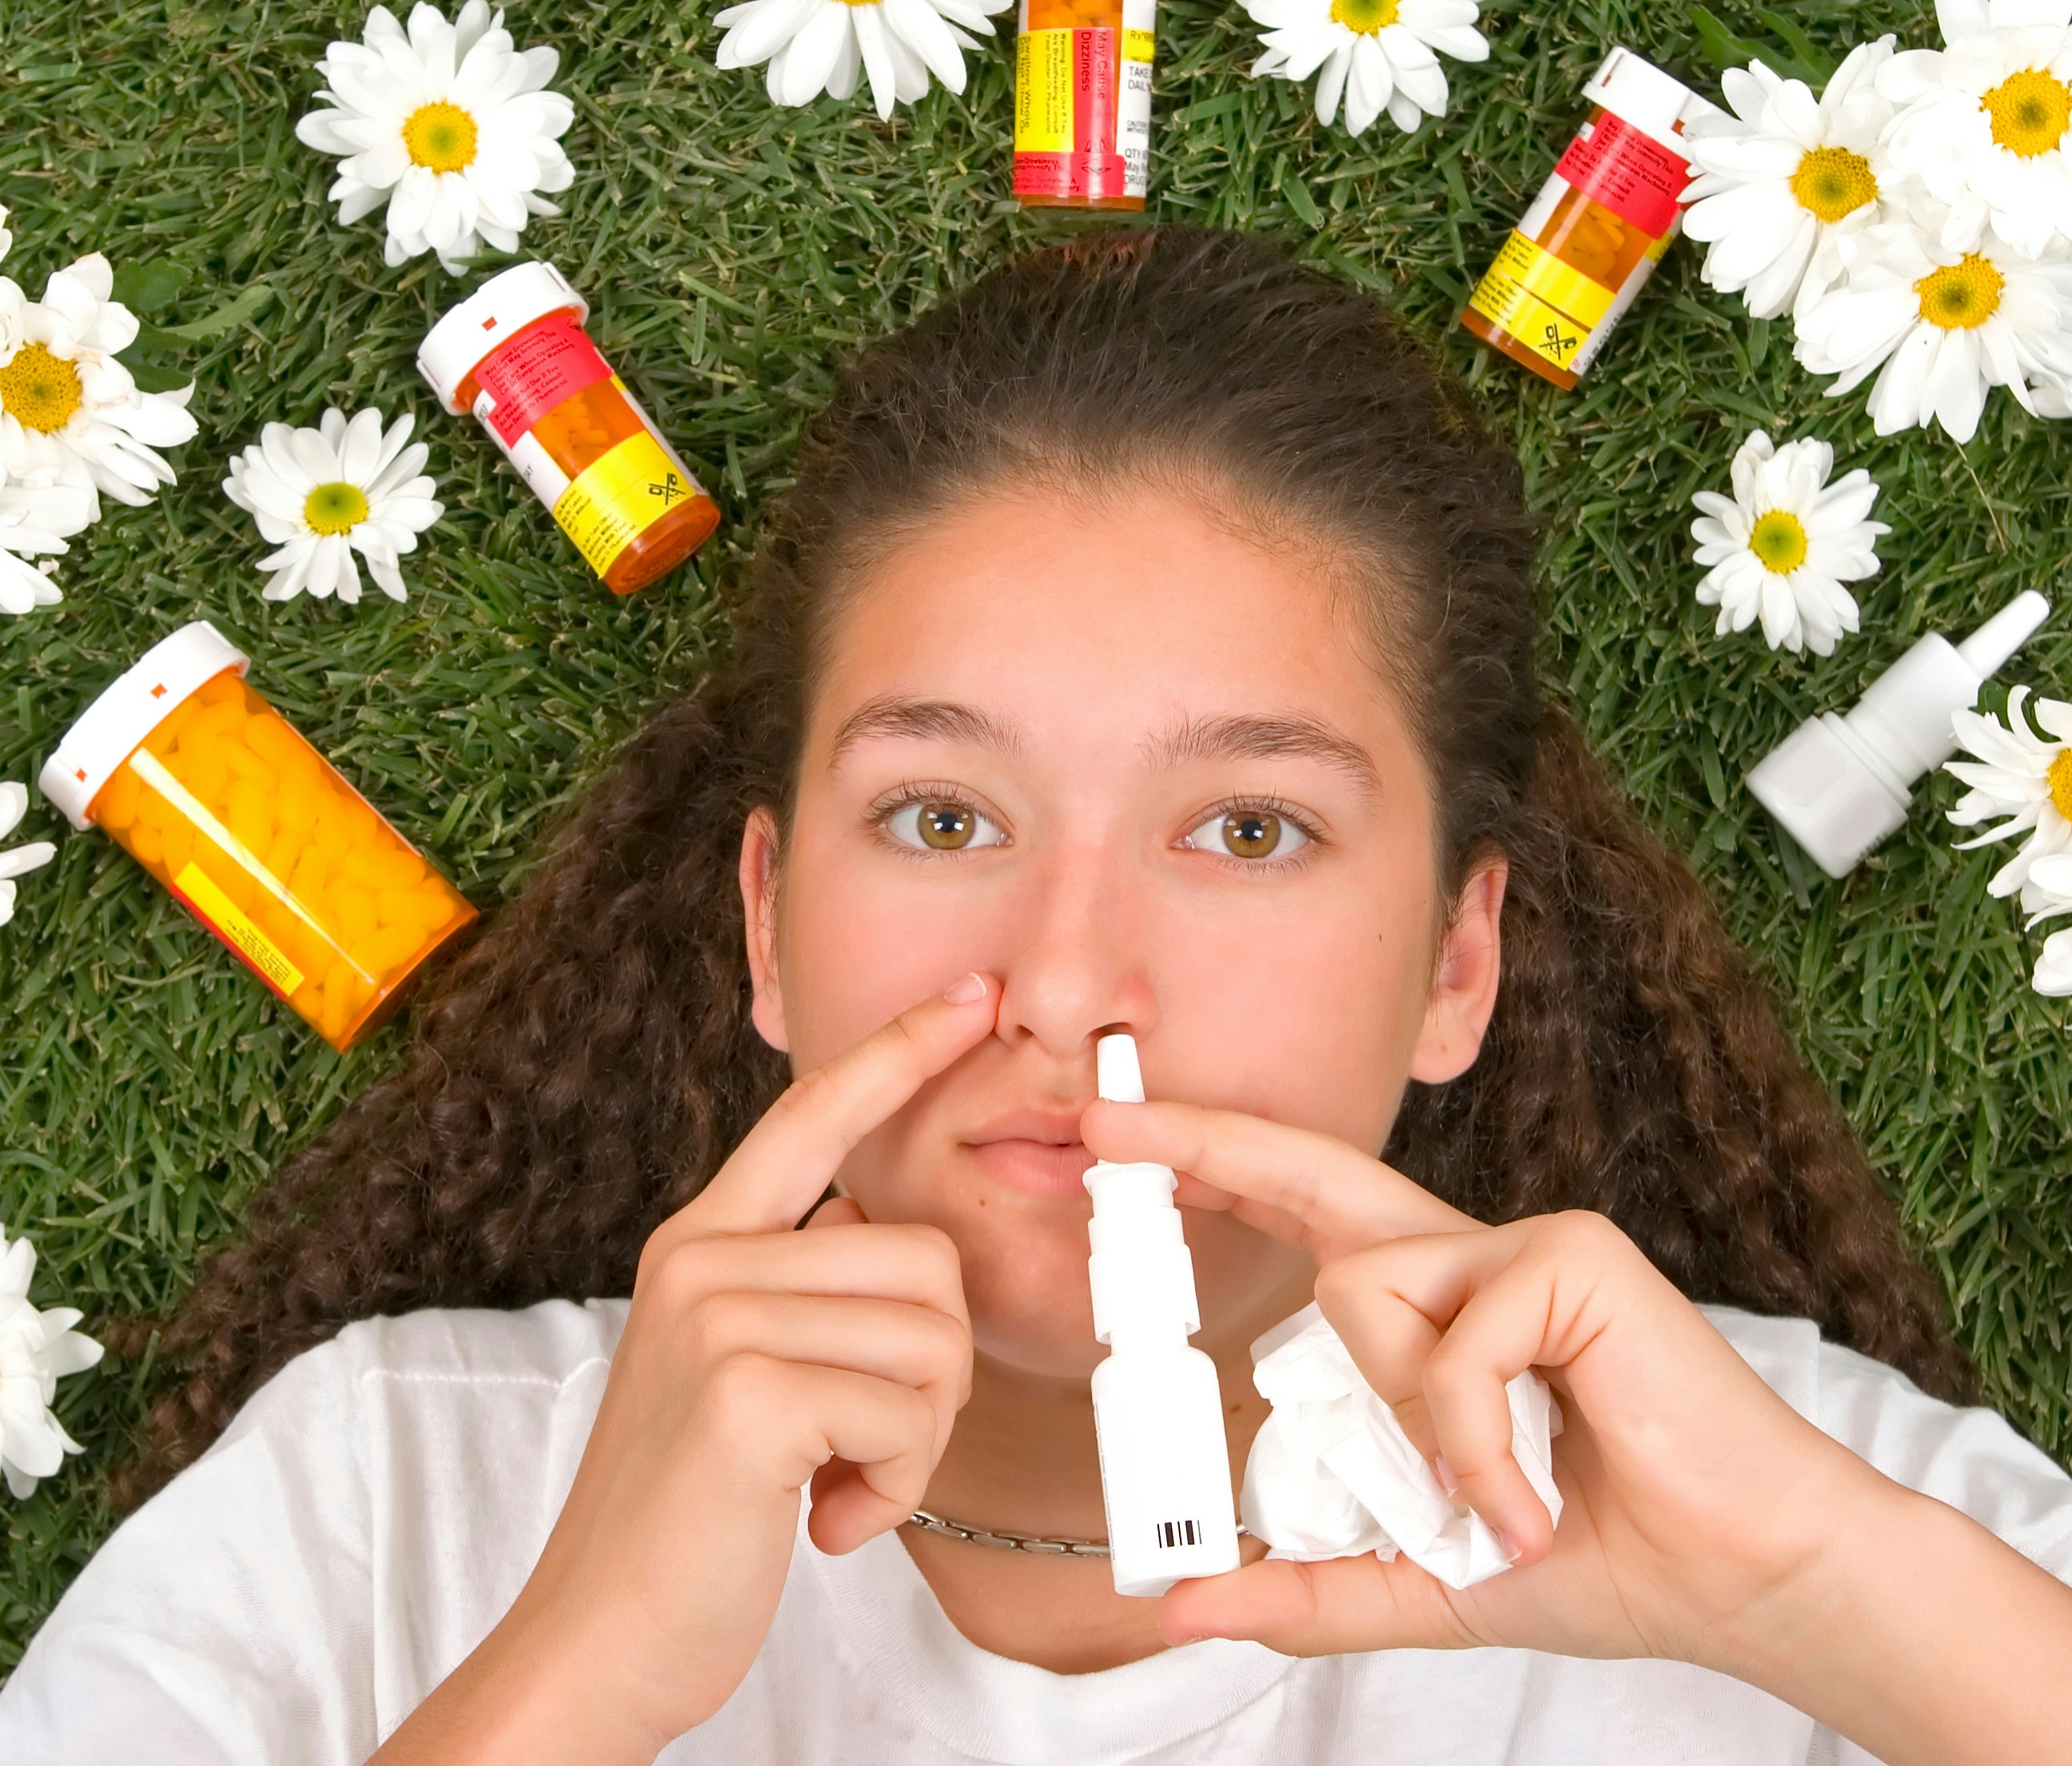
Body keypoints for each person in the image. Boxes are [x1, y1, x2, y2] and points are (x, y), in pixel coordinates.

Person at [3, 226, 2069, 1764]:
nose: (1071, 977)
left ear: (1460, 961)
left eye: (1248, 831)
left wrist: (1826, 1609)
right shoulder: (381, 1509)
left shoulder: (1820, 1512)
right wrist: (563, 1691)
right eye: (938, 818)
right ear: (766, 931)